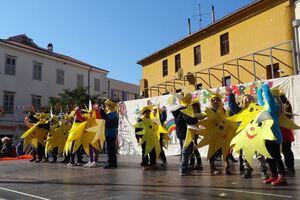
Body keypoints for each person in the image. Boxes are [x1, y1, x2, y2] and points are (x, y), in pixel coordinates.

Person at [227, 87, 268, 179]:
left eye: (250, 98)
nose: (248, 100)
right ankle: (247, 170)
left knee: (260, 154)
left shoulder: (258, 110)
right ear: (242, 101)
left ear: (253, 100)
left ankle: (264, 170)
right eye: (246, 99)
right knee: (246, 155)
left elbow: (265, 119)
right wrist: (230, 94)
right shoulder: (240, 111)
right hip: (246, 137)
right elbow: (232, 105)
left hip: (257, 136)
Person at [258, 84, 287, 186]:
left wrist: (265, 88)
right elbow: (261, 103)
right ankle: (274, 175)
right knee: (269, 157)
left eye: (267, 97)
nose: (266, 100)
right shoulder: (267, 109)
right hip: (267, 136)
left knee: (276, 157)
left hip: (274, 136)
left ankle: (282, 177)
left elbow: (269, 100)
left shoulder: (274, 107)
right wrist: (259, 91)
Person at [171, 92, 198, 176]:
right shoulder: (185, 109)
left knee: (185, 151)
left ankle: (183, 167)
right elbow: (189, 120)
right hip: (185, 134)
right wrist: (196, 119)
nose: (191, 100)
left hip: (182, 133)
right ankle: (183, 169)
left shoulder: (179, 110)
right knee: (186, 151)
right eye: (190, 98)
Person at [280, 94, 295, 177]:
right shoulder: (285, 108)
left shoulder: (285, 109)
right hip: (284, 133)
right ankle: (289, 166)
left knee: (287, 151)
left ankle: (290, 167)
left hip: (285, 133)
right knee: (286, 151)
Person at [101, 99, 119, 169]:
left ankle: (112, 163)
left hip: (111, 133)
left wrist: (102, 112)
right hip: (109, 132)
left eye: (106, 105)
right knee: (110, 149)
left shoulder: (112, 113)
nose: (106, 107)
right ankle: (112, 163)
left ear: (110, 106)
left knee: (110, 149)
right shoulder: (111, 112)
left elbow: (107, 121)